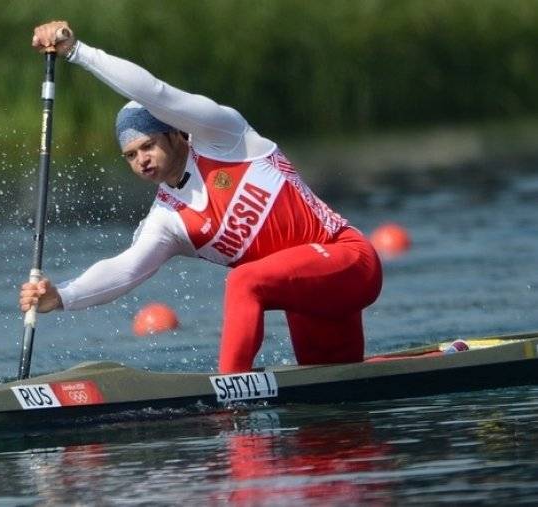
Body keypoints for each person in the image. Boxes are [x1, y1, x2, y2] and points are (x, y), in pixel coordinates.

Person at [21, 21, 383, 373]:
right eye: (131, 155)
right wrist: (62, 297)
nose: (142, 160)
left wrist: (78, 52)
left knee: (244, 281)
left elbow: (156, 93)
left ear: (176, 134)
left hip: (349, 261)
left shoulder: (224, 137)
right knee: (332, 402)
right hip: (307, 300)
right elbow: (127, 268)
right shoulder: (167, 218)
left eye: (148, 145)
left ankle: (229, 395)